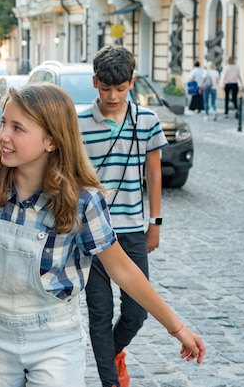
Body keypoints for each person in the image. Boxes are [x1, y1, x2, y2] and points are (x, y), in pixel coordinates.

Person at [0, 83, 205, 387]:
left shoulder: (82, 200)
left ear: (51, 140)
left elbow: (122, 268)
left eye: (17, 128)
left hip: (55, 339)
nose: (3, 135)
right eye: (3, 123)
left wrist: (176, 327)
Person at [78, 44, 167, 387]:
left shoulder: (147, 121)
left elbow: (154, 175)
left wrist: (155, 224)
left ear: (131, 83)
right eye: (105, 88)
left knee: (137, 311)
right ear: (94, 82)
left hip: (131, 231)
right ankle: (110, 382)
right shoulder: (78, 122)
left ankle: (112, 353)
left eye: (119, 88)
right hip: (91, 234)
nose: (112, 95)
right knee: (99, 314)